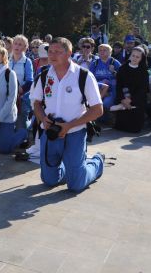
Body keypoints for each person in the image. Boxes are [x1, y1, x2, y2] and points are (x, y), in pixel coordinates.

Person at [30, 37, 105, 193]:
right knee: (49, 180)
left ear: (69, 53)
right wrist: (42, 118)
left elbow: (97, 110)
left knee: (76, 185)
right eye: (50, 51)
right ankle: (72, 168)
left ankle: (96, 161)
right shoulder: (44, 75)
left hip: (75, 133)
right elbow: (36, 103)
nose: (52, 55)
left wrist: (69, 126)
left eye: (58, 51)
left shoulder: (84, 76)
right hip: (50, 133)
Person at [114, 46, 149, 132]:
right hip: (122, 99)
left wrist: (131, 100)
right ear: (130, 56)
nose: (134, 58)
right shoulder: (122, 68)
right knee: (120, 126)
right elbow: (119, 86)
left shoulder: (144, 72)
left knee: (134, 128)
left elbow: (142, 89)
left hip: (137, 100)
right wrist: (123, 99)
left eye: (137, 57)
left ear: (141, 58)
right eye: (133, 55)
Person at [9, 35, 34, 131]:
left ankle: (24, 137)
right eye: (15, 43)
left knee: (21, 122)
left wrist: (21, 89)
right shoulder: (7, 59)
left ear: (25, 48)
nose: (17, 46)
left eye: (20, 44)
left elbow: (30, 80)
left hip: (22, 98)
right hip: (9, 96)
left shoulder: (27, 62)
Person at [90, 44, 121, 110]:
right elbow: (90, 79)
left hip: (111, 91)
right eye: (100, 50)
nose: (102, 52)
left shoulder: (115, 63)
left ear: (110, 52)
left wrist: (113, 72)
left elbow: (122, 78)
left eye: (104, 50)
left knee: (106, 104)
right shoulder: (94, 63)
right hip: (98, 89)